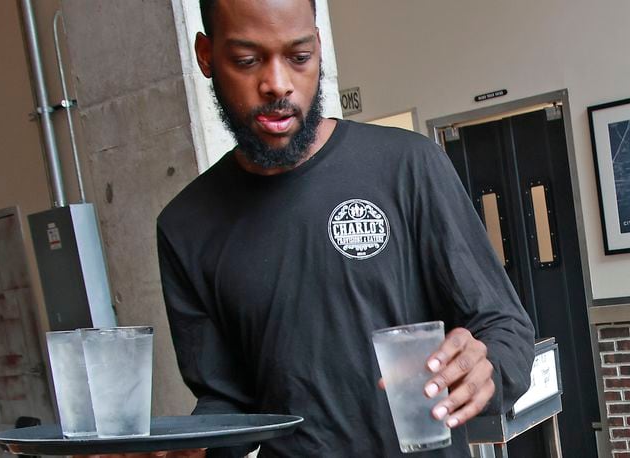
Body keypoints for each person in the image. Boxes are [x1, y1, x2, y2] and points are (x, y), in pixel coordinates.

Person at [155, 0, 536, 456]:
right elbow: (228, 397)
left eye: (298, 58)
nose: (277, 84)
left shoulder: (408, 165)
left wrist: (485, 365)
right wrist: (190, 447)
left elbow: (505, 326)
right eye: (246, 60)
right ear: (206, 55)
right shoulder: (185, 225)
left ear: (317, 47)